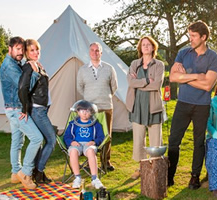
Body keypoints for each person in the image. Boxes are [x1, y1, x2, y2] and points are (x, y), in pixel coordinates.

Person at [168, 21, 217, 189]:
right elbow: (173, 78)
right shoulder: (183, 53)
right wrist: (198, 76)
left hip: (202, 106)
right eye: (189, 35)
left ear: (203, 37)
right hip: (182, 103)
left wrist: (186, 77)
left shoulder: (214, 58)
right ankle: (169, 176)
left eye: (193, 36)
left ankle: (194, 177)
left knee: (198, 142)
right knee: (173, 141)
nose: (189, 39)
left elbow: (208, 86)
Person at [0, 37, 43, 189]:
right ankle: (25, 172)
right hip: (16, 109)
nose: (20, 52)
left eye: (22, 50)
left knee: (17, 142)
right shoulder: (10, 66)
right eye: (17, 49)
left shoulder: (14, 63)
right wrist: (36, 72)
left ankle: (15, 173)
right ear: (10, 48)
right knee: (37, 138)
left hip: (11, 108)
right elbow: (23, 87)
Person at [126, 36, 165, 179]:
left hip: (153, 106)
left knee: (155, 140)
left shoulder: (159, 64)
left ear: (153, 47)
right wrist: (147, 80)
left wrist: (139, 83)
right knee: (138, 139)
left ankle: (155, 168)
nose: (146, 47)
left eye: (149, 44)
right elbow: (130, 82)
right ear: (140, 48)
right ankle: (141, 168)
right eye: (143, 45)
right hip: (137, 106)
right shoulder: (134, 63)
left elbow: (157, 85)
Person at [18, 39, 56, 184]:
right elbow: (22, 88)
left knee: (41, 141)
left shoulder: (37, 65)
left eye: (37, 50)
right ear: (27, 53)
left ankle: (37, 172)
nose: (35, 53)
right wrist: (25, 108)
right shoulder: (29, 67)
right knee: (51, 140)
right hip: (37, 110)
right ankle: (38, 171)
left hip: (42, 109)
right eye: (32, 50)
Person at [77, 42, 118, 171]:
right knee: (90, 136)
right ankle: (91, 162)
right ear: (89, 53)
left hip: (106, 106)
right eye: (92, 50)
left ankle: (106, 162)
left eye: (97, 50)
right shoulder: (82, 70)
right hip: (89, 109)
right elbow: (80, 87)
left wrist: (104, 96)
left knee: (106, 136)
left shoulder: (109, 68)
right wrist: (90, 100)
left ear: (101, 52)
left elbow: (114, 87)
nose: (95, 53)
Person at [63, 100, 105, 189]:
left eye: (87, 111)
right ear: (78, 112)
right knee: (73, 151)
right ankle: (77, 177)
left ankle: (95, 178)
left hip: (89, 144)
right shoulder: (73, 124)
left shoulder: (96, 124)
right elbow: (66, 136)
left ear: (91, 112)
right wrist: (71, 142)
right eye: (82, 111)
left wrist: (94, 142)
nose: (85, 113)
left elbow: (101, 136)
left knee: (90, 151)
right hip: (76, 144)